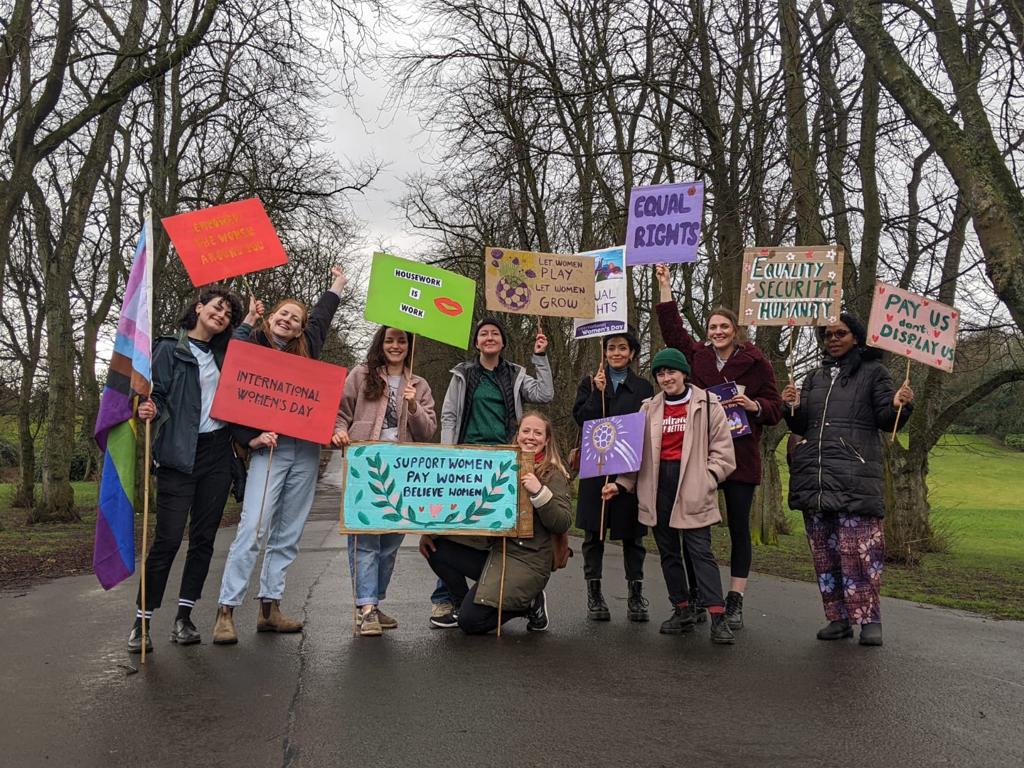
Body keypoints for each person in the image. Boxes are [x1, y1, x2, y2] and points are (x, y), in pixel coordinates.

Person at [212, 266, 347, 645]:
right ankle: (226, 609)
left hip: (304, 449)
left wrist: (336, 285)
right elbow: (232, 394)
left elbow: (322, 317)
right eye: (282, 314)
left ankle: (270, 607)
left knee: (288, 532)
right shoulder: (250, 347)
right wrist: (250, 438)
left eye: (296, 318)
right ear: (270, 318)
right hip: (268, 450)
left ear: (301, 328)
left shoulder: (308, 350)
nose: (288, 320)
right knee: (253, 527)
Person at [655, 264, 782, 629]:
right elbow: (673, 332)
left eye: (724, 326)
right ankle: (697, 597)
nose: (718, 331)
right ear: (707, 333)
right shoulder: (699, 358)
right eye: (712, 327)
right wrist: (665, 285)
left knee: (739, 528)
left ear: (735, 330)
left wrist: (753, 406)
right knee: (693, 528)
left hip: (741, 456)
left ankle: (736, 598)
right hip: (700, 456)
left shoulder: (757, 363)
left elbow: (774, 409)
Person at [781, 313, 914, 647]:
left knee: (860, 554)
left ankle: (869, 620)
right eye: (827, 335)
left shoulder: (874, 373)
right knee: (825, 556)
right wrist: (791, 407)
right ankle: (837, 618)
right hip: (817, 480)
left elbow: (887, 420)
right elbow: (800, 427)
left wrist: (900, 404)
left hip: (855, 478)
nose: (833, 339)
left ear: (856, 337)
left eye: (840, 333)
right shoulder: (814, 376)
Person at [128, 286, 245, 652]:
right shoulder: (168, 348)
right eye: (217, 306)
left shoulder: (226, 355)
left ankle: (184, 617)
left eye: (228, 313)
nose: (222, 314)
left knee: (204, 540)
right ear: (198, 308)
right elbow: (156, 395)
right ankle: (142, 623)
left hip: (217, 456)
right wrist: (147, 409)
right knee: (166, 539)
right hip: (179, 456)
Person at [602, 348, 738, 644]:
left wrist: (708, 478)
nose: (666, 378)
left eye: (671, 372)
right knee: (668, 551)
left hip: (692, 483)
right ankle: (682, 609)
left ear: (683, 373)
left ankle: (717, 615)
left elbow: (724, 452)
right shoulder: (647, 408)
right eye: (660, 374)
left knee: (700, 551)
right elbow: (633, 454)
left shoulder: (707, 403)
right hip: (656, 484)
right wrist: (621, 484)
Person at [426, 317, 553, 628]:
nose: (489, 337)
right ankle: (453, 599)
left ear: (503, 342)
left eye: (495, 333)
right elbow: (450, 415)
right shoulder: (463, 374)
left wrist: (540, 357)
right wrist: (448, 454)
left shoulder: (516, 374)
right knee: (455, 527)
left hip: (505, 462)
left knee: (497, 531)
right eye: (483, 333)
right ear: (477, 342)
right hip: (467, 460)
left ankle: (513, 592)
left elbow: (545, 395)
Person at [423, 412, 572, 634]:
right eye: (526, 431)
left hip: (526, 562)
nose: (531, 437)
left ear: (547, 440)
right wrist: (433, 533)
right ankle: (462, 602)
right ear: (518, 434)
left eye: (538, 433)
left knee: (470, 623)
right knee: (436, 549)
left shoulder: (553, 474)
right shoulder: (499, 466)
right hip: (495, 553)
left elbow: (562, 522)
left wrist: (539, 492)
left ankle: (530, 603)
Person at [331, 326, 437, 636]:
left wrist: (414, 405)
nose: (395, 345)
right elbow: (341, 412)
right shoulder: (361, 375)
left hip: (402, 471)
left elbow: (427, 432)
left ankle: (373, 603)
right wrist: (339, 431)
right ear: (381, 343)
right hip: (366, 465)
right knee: (365, 538)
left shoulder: (420, 384)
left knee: (390, 542)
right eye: (390, 339)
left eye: (402, 340)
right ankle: (366, 608)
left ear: (409, 345)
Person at [572, 329, 654, 622]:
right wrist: (596, 391)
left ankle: (635, 594)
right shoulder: (590, 383)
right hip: (596, 467)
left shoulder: (643, 387)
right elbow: (582, 419)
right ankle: (594, 594)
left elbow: (647, 425)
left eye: (622, 348)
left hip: (629, 467)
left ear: (632, 353)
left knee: (633, 535)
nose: (616, 353)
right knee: (594, 533)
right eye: (611, 348)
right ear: (604, 352)